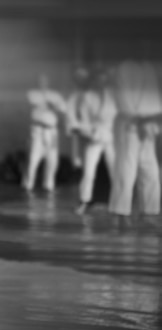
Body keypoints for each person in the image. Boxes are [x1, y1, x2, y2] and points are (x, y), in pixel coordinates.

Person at [109, 50, 162, 228]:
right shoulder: (124, 67)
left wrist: (154, 120)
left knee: (151, 172)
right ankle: (121, 212)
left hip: (149, 126)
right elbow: (123, 98)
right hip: (130, 125)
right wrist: (139, 118)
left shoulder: (149, 67)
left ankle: (149, 212)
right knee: (126, 170)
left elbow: (155, 97)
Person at [74, 68, 117, 215]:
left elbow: (119, 116)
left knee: (115, 171)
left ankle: (118, 203)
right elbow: (84, 120)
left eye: (104, 80)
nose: (102, 83)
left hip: (111, 136)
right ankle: (84, 201)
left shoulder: (114, 95)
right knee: (88, 172)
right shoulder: (88, 97)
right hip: (95, 136)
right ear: (95, 81)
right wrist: (89, 133)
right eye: (99, 79)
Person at [23, 73, 67, 192]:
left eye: (45, 80)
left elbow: (64, 109)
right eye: (40, 80)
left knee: (52, 159)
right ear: (37, 81)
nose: (43, 82)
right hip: (37, 131)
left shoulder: (55, 95)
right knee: (33, 159)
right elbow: (29, 104)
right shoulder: (32, 93)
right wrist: (47, 104)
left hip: (51, 131)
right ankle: (28, 184)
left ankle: (49, 185)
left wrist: (55, 105)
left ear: (49, 81)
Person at [66, 66, 91, 171]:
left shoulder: (90, 93)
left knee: (89, 153)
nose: (81, 80)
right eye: (79, 77)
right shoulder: (73, 94)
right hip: (77, 126)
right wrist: (74, 124)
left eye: (83, 77)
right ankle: (78, 169)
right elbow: (70, 110)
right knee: (77, 152)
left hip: (90, 126)